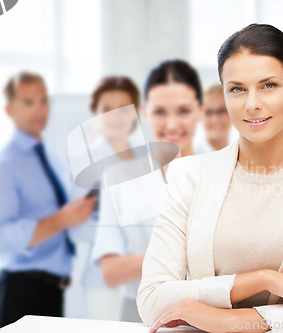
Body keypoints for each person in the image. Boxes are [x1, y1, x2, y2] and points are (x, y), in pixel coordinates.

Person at [137, 24, 283, 333]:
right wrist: (264, 279)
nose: (252, 103)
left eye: (269, 85)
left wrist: (225, 320)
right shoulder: (188, 175)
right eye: (237, 88)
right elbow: (152, 300)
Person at [0, 72, 97, 331]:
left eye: (43, 100)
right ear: (9, 109)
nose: (39, 109)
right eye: (28, 102)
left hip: (52, 292)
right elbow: (1, 236)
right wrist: (59, 221)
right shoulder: (2, 165)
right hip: (20, 292)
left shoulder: (53, 160)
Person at [91, 61, 204, 322]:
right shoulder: (119, 178)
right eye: (160, 112)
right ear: (145, 112)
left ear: (200, 110)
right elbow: (110, 271)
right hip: (137, 314)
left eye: (184, 110)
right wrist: (182, 253)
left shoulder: (222, 172)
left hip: (209, 310)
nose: (172, 123)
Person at [194, 83, 231, 153]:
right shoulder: (190, 157)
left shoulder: (241, 154)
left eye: (222, 110)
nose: (216, 119)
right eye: (208, 112)